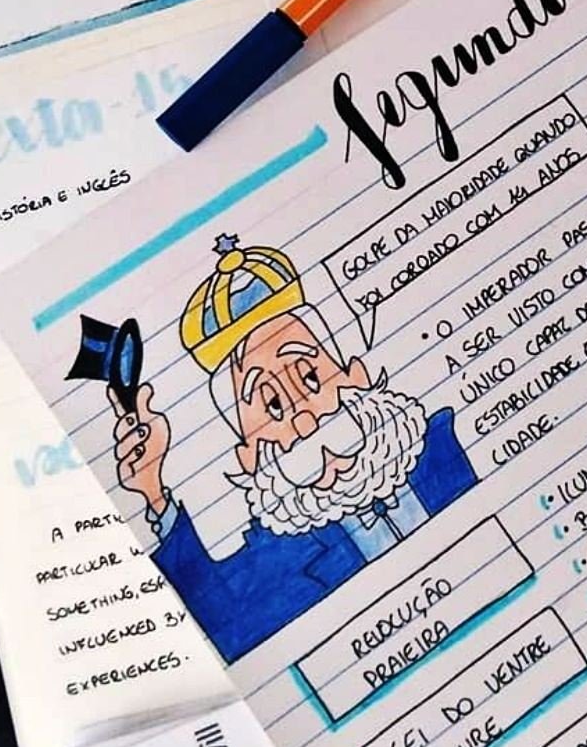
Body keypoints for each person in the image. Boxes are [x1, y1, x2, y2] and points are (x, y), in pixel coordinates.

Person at [107, 234, 477, 661]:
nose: (306, 421)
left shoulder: (447, 446)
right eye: (273, 406)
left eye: (311, 377)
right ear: (249, 455)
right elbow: (221, 616)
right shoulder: (278, 562)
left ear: (355, 376)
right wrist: (153, 492)